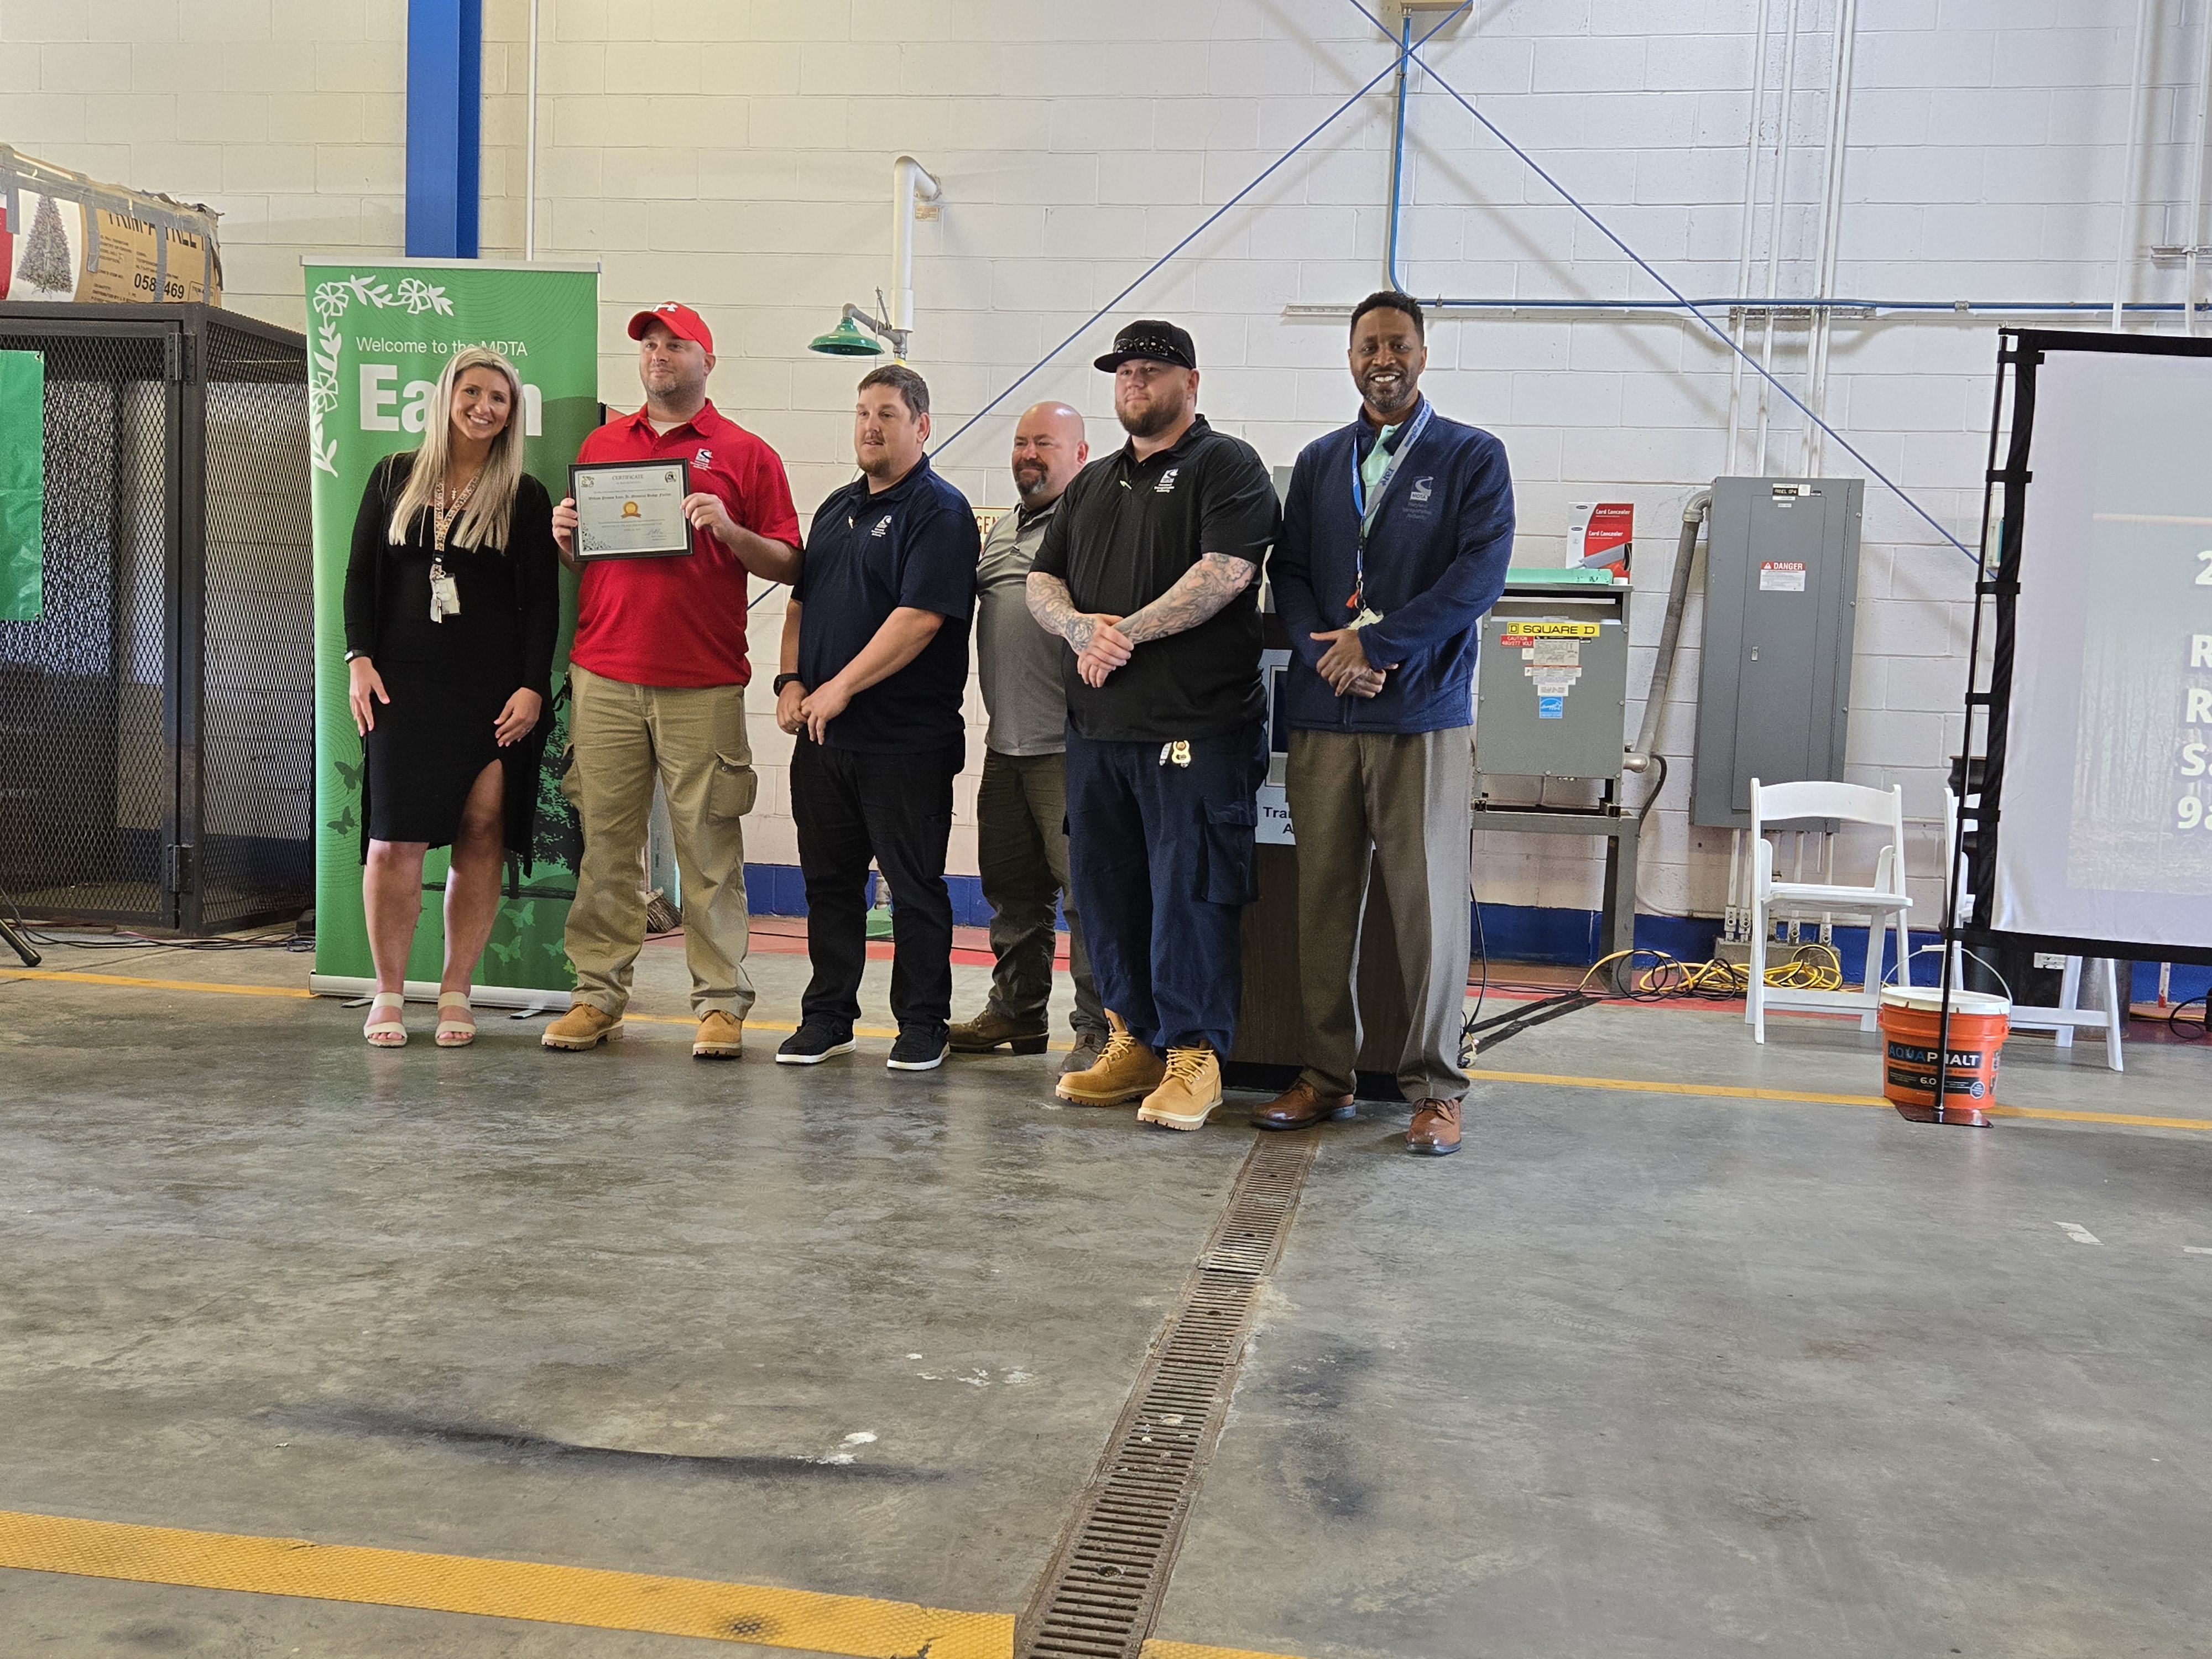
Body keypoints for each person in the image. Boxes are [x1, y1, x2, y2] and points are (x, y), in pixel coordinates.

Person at [1261, 290, 1515, 1156]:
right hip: (1325, 718)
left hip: (1422, 718)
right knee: (1323, 904)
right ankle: (1326, 1077)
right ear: (1350, 357)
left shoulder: (1472, 457)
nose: (1384, 358)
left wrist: (1380, 647)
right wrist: (1326, 651)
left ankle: (1437, 1087)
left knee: (1427, 910)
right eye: (1369, 344)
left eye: (1398, 344)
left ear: (1423, 354)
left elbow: (1479, 577)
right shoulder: (1322, 460)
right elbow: (1288, 572)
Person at [1027, 320, 1280, 1131]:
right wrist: (1078, 630)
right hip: (1100, 733)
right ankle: (1131, 1043)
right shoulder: (1094, 483)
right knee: (1108, 896)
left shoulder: (1226, 465)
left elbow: (1227, 574)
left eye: (1151, 370)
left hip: (1195, 730)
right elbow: (1042, 583)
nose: (1134, 382)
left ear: (1191, 384)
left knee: (1188, 896)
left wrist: (1122, 633)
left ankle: (1195, 1058)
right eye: (1124, 371)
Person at [540, 303, 802, 1058]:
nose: (659, 355)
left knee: (709, 847)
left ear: (707, 360)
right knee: (607, 848)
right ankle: (597, 996)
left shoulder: (748, 455)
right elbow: (599, 563)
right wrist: (568, 544)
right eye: (650, 345)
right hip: (605, 676)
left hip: (702, 682)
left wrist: (730, 529)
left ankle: (720, 1005)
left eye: (676, 344)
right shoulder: (602, 443)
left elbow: (789, 562)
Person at [343, 346, 559, 1048]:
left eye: (499, 398)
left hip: (492, 691)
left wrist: (531, 687)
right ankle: (387, 993)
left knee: (482, 833)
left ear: (512, 412)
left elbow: (541, 604)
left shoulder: (523, 495)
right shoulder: (392, 477)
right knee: (392, 843)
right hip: (401, 683)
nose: (484, 408)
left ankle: (456, 991)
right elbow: (360, 577)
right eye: (472, 393)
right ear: (447, 397)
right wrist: (359, 659)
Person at [774, 365, 980, 1072]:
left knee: (914, 885)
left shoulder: (939, 511)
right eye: (862, 412)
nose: (870, 426)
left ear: (921, 425)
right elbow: (800, 601)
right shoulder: (836, 507)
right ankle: (828, 1015)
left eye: (887, 414)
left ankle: (923, 1025)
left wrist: (841, 688)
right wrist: (791, 680)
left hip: (904, 743)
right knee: (828, 885)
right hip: (823, 740)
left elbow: (920, 618)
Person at [947, 403, 1110, 1076]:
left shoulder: (1094, 524)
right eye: (1020, 443)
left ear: (1080, 453)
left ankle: (1100, 1029)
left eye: (1045, 442)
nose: (1028, 454)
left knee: (1086, 897)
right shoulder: (1005, 528)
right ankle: (1017, 1010)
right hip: (1005, 746)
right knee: (1013, 890)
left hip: (1069, 748)